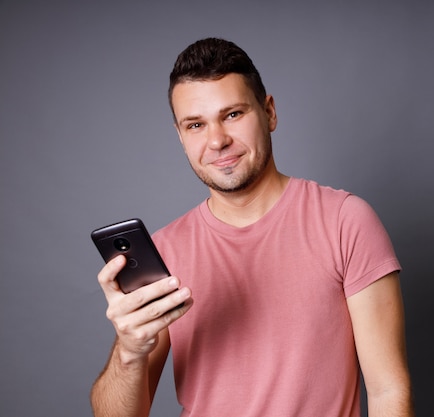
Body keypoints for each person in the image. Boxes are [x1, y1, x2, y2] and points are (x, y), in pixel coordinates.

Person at [91, 37, 413, 417]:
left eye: (233, 115)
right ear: (181, 136)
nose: (217, 140)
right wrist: (129, 350)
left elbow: (388, 390)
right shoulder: (164, 253)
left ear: (269, 112)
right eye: (196, 124)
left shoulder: (345, 221)